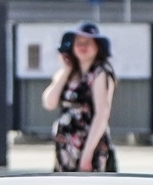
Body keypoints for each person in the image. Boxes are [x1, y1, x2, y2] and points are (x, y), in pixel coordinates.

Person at [43, 22, 116, 173]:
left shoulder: (100, 73)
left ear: (98, 47)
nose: (83, 46)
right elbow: (49, 102)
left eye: (88, 42)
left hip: (89, 144)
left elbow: (102, 114)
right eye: (78, 42)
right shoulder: (68, 73)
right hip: (66, 146)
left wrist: (87, 155)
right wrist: (66, 70)